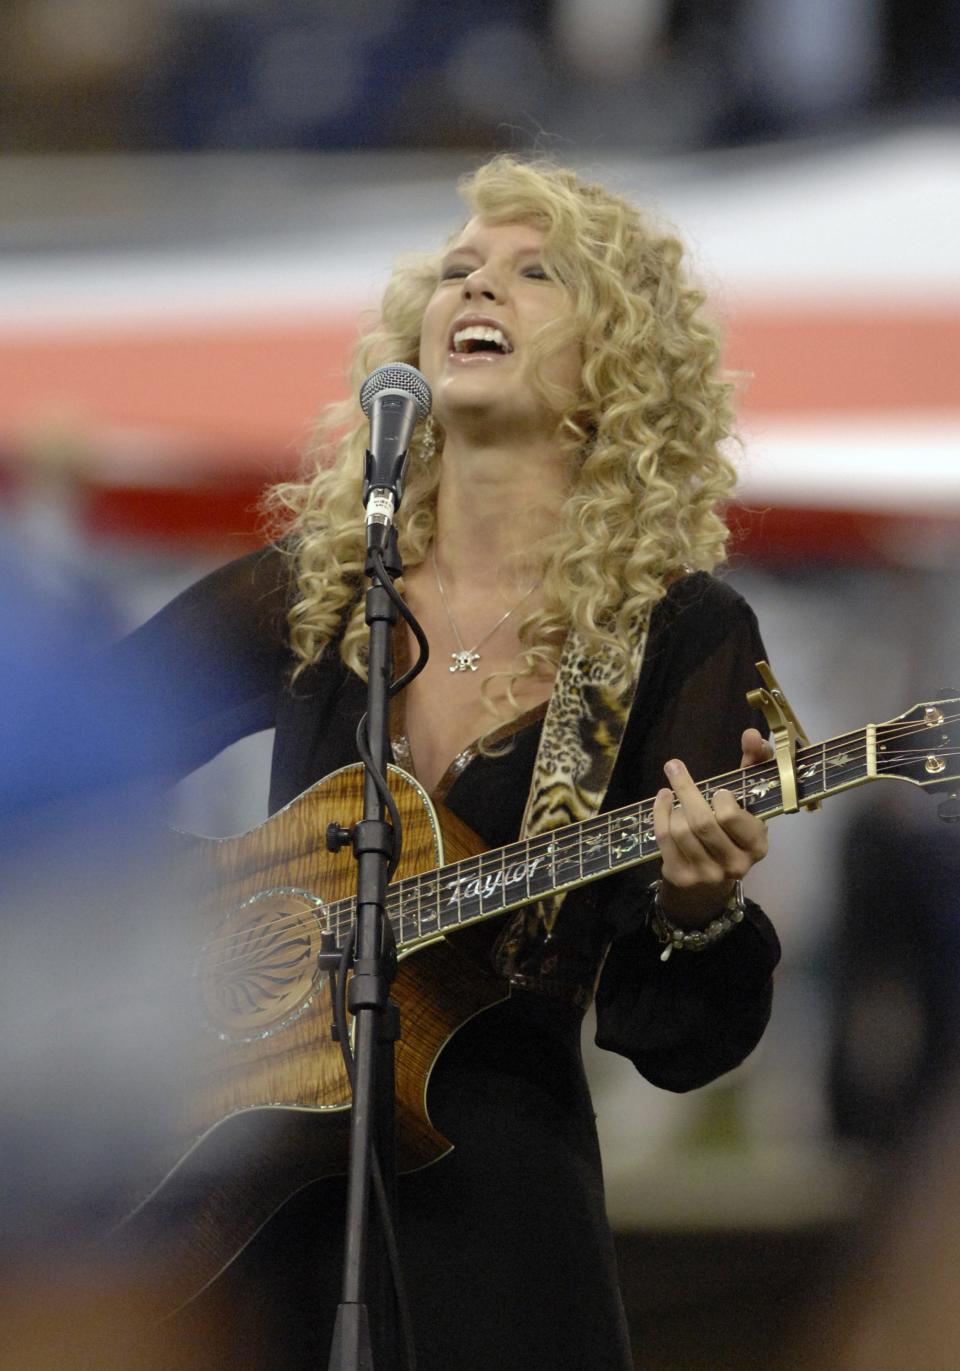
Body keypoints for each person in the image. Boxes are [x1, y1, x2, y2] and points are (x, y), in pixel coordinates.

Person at [104, 155, 779, 1371]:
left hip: (499, 1216)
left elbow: (678, 1038)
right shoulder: (319, 593)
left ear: (615, 366)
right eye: (460, 270)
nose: (482, 287)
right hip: (253, 1206)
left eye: (536, 274)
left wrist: (698, 908)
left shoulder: (677, 631)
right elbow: (62, 755)